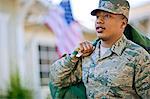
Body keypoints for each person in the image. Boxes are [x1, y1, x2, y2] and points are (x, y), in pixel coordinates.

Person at [49, 0, 150, 98]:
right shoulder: (87, 54)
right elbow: (56, 79)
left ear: (123, 23)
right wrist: (73, 56)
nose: (99, 21)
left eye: (107, 16)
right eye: (97, 16)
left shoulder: (138, 56)